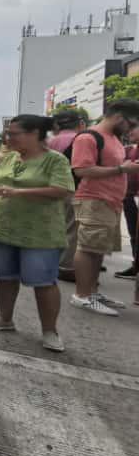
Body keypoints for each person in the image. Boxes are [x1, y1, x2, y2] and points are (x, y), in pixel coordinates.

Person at [0, 115, 75, 352]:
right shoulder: (7, 158)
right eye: (8, 133)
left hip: (40, 234)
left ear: (35, 133)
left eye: (14, 133)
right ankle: (4, 318)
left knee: (43, 282)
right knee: (5, 277)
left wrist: (19, 193)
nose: (9, 138)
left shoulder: (54, 160)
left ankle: (50, 331)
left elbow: (62, 190)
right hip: (5, 229)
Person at [68, 99, 139, 316]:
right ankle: (82, 295)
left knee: (98, 249)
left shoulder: (114, 138)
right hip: (93, 199)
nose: (131, 129)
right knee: (88, 248)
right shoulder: (89, 137)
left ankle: (92, 291)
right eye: (131, 123)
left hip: (110, 201)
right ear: (119, 117)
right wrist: (121, 169)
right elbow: (81, 170)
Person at [48, 110, 88, 281]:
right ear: (79, 123)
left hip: (51, 188)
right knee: (72, 228)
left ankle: (52, 261)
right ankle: (66, 265)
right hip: (73, 188)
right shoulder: (80, 139)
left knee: (55, 225)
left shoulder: (51, 141)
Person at [116, 124, 139, 279]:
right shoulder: (129, 150)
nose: (129, 131)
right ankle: (136, 266)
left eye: (134, 128)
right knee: (133, 234)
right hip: (130, 197)